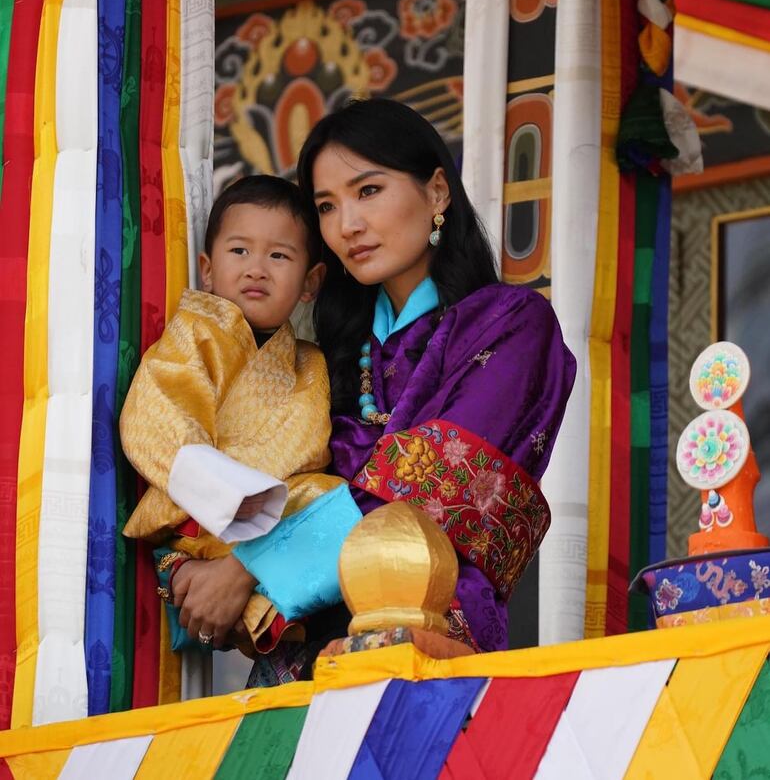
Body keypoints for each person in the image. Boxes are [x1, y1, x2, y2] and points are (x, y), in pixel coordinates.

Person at [172, 98, 576, 667]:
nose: (348, 225)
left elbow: (428, 491)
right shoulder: (324, 357)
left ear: (437, 192)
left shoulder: (514, 325)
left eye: (368, 191)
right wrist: (190, 565)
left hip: (429, 635)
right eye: (326, 207)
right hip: (301, 651)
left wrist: (249, 567)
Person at [120, 175, 350, 652]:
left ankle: (262, 611)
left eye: (279, 256)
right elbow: (159, 416)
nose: (256, 269)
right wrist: (235, 497)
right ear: (207, 269)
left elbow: (311, 454)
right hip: (200, 520)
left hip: (276, 523)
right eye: (239, 251)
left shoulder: (312, 364)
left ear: (311, 283)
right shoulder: (194, 337)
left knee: (336, 497)